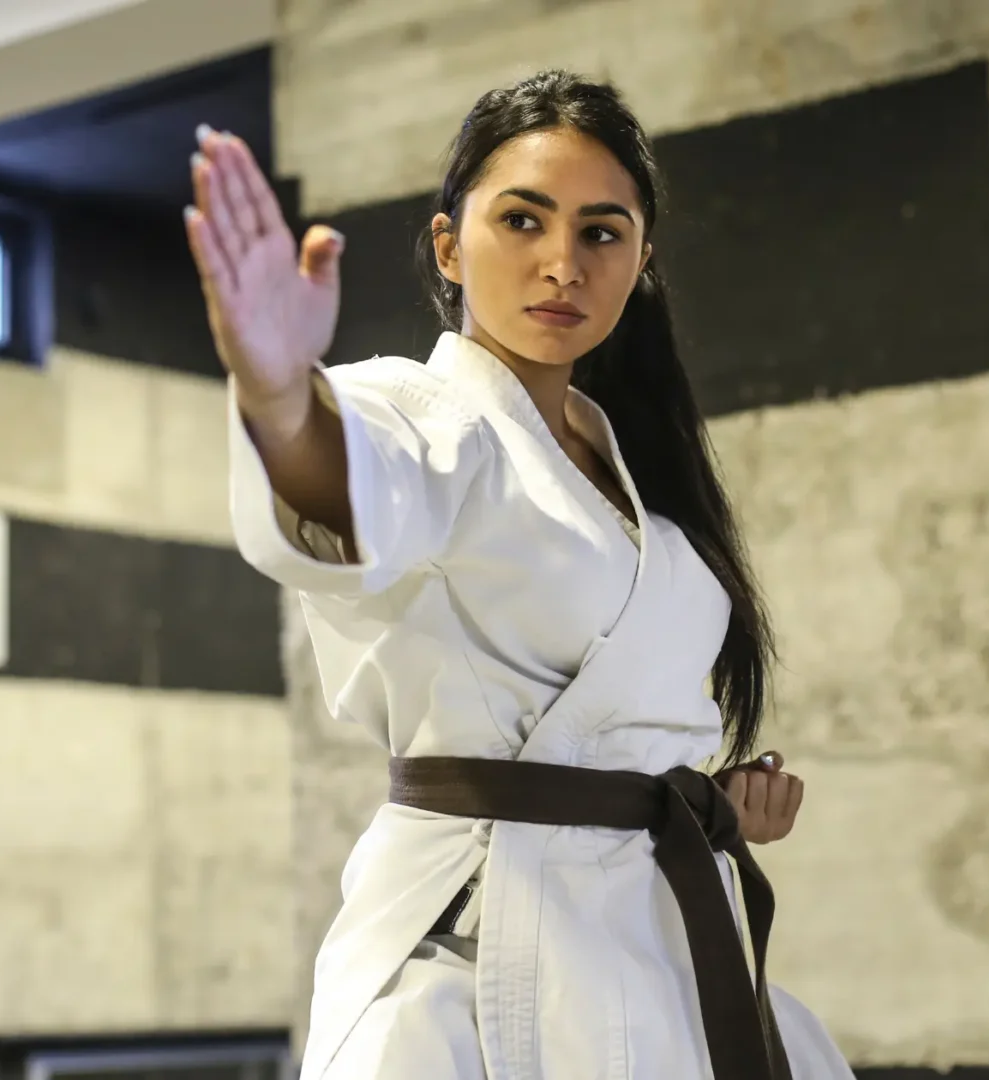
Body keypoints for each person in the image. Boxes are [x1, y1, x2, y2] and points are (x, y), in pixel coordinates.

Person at [187, 69, 854, 1080]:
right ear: (451, 245)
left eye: (600, 232)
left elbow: (602, 721)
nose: (561, 264)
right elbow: (348, 486)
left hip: (656, 933)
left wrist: (703, 796)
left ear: (642, 261)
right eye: (522, 221)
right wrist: (280, 394)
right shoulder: (420, 414)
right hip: (478, 947)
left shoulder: (631, 471)